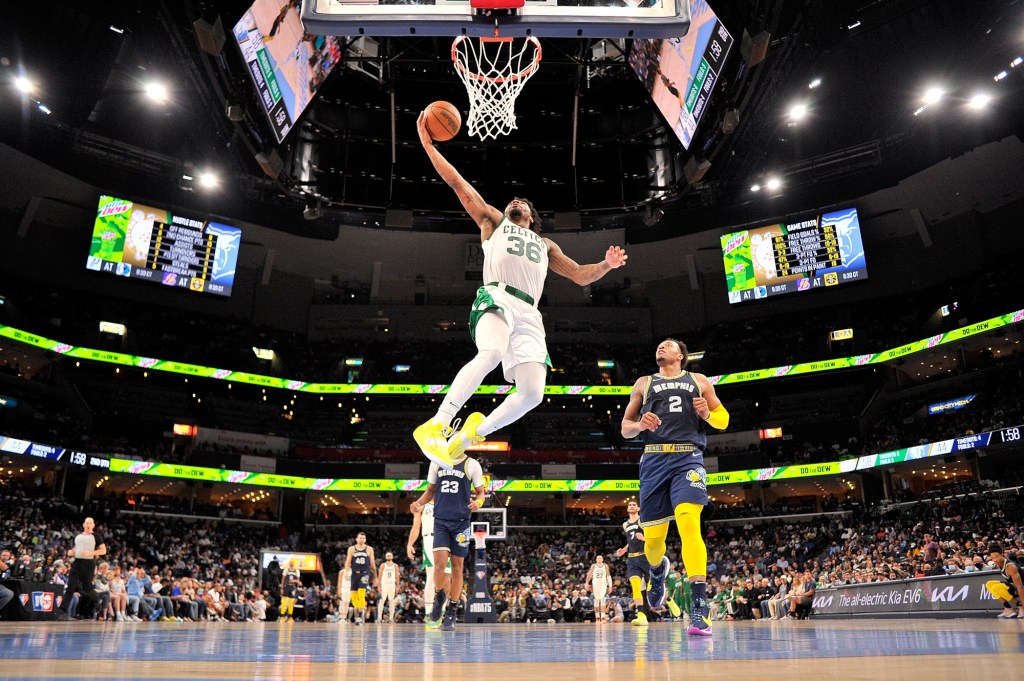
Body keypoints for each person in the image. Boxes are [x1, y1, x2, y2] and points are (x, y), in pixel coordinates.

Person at [412, 111, 629, 468]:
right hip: (497, 296)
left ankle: (470, 434)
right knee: (493, 352)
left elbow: (579, 275)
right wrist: (428, 146)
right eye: (512, 200)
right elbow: (459, 185)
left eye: (522, 202)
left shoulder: (546, 245)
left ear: (532, 215)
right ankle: (437, 424)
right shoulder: (493, 221)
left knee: (532, 393)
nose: (515, 200)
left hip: (529, 313)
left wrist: (606, 264)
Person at [620, 338, 729, 637]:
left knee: (688, 522)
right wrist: (640, 424)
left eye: (667, 345)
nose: (660, 348)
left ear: (681, 355)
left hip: (688, 457)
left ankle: (699, 607)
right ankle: (657, 571)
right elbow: (625, 428)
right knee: (653, 542)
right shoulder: (644, 383)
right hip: (653, 461)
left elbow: (723, 419)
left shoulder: (699, 380)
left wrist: (707, 414)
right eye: (658, 345)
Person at [410, 449, 486, 632]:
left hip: (461, 523)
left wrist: (479, 503)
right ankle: (439, 596)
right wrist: (419, 503)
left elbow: (481, 493)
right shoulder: (436, 462)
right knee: (439, 565)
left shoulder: (471, 464)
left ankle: (452, 610)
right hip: (441, 521)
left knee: (458, 567)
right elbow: (430, 490)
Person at [57, 517, 107, 621]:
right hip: (77, 562)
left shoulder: (96, 536)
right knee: (70, 586)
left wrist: (91, 553)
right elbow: (76, 548)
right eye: (87, 522)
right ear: (84, 524)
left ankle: (97, 600)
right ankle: (62, 611)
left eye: (90, 523)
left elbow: (103, 550)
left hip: (88, 563)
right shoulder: (78, 536)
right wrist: (72, 552)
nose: (88, 524)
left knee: (87, 587)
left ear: (93, 525)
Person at [407, 500, 451, 607]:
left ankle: (441, 611)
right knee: (432, 574)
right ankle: (429, 612)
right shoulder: (422, 504)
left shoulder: (447, 501)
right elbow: (416, 526)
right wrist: (410, 544)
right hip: (429, 539)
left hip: (446, 539)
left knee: (447, 576)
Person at [615, 500, 651, 627]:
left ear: (639, 508)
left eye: (634, 505)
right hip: (632, 559)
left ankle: (668, 600)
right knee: (635, 586)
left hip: (645, 557)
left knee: (653, 587)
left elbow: (654, 538)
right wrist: (624, 549)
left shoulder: (642, 521)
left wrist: (644, 538)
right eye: (629, 505)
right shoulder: (625, 524)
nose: (631, 506)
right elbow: (630, 540)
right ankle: (641, 616)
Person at [344, 532, 377, 626]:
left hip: (365, 573)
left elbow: (372, 563)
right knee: (354, 597)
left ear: (365, 540)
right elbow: (348, 561)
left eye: (363, 538)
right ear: (356, 539)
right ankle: (360, 611)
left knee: (361, 593)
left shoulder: (369, 549)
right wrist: (346, 571)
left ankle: (359, 615)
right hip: (354, 574)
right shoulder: (351, 549)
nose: (362, 539)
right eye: (360, 538)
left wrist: (375, 576)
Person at [985, 544, 1024, 619]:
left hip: (1021, 588)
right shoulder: (999, 563)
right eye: (993, 558)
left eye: (997, 557)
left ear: (1002, 555)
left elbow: (1020, 587)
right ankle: (1008, 609)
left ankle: (1021, 606)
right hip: (1013, 587)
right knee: (989, 584)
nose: (995, 560)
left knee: (996, 588)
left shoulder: (1010, 567)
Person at [586, 554, 611, 623]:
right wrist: (587, 583)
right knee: (596, 600)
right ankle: (597, 617)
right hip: (595, 584)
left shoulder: (605, 566)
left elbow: (608, 576)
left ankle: (603, 617)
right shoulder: (593, 566)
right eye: (598, 558)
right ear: (596, 559)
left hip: (603, 584)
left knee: (603, 599)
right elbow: (589, 575)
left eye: (600, 558)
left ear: (602, 559)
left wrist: (610, 586)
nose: (599, 559)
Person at [377, 552, 400, 623]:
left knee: (391, 601)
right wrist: (378, 585)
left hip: (392, 584)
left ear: (392, 557)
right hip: (384, 584)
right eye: (387, 555)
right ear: (385, 557)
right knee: (382, 600)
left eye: (390, 555)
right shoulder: (383, 565)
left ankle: (391, 618)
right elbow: (380, 576)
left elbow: (397, 576)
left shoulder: (395, 565)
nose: (389, 556)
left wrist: (398, 585)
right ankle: (379, 618)